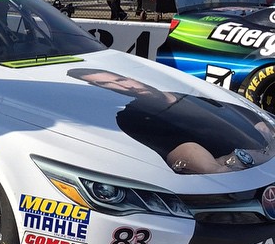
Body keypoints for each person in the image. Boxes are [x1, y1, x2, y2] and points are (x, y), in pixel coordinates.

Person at [67, 68, 275, 174]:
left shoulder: (191, 93)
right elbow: (185, 153)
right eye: (108, 85)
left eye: (120, 80)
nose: (125, 86)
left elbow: (255, 121)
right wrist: (222, 167)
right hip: (235, 171)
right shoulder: (132, 117)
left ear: (131, 78)